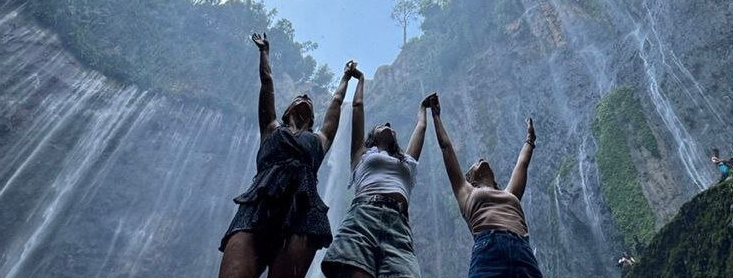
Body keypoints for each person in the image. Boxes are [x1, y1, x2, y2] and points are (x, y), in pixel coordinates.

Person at [218, 32, 357, 278]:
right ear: (285, 111)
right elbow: (267, 81)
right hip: (258, 204)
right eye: (299, 96)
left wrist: (345, 77)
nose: (305, 97)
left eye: (310, 100)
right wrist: (264, 52)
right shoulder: (271, 129)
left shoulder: (319, 140)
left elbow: (336, 102)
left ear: (314, 118)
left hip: (303, 212)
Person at [320, 68, 434, 278]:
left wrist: (423, 108)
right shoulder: (361, 155)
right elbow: (358, 107)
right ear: (371, 137)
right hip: (364, 214)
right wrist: (360, 79)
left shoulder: (407, 162)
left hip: (398, 223)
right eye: (383, 124)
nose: (389, 125)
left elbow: (421, 127)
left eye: (391, 126)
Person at [429, 95, 543, 278]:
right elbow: (446, 148)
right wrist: (436, 116)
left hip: (522, 249)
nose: (480, 160)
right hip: (488, 247)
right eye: (474, 164)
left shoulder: (509, 193)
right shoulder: (466, 191)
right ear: (471, 179)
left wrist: (530, 139)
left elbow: (522, 163)